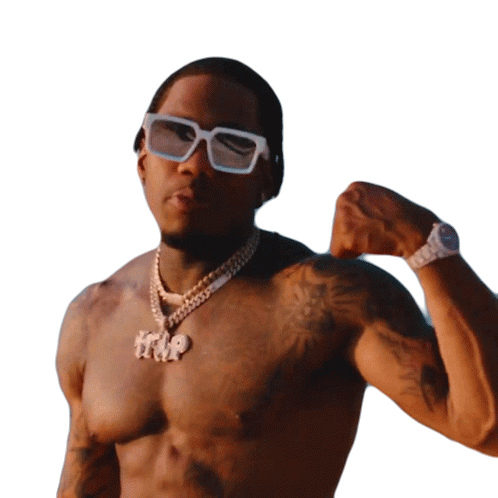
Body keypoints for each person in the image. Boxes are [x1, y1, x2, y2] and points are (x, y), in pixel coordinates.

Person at [55, 56, 498, 498]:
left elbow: (485, 425)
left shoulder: (325, 300)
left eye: (231, 147)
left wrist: (424, 242)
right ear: (142, 159)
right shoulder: (94, 317)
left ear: (267, 178)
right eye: (174, 135)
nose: (194, 163)